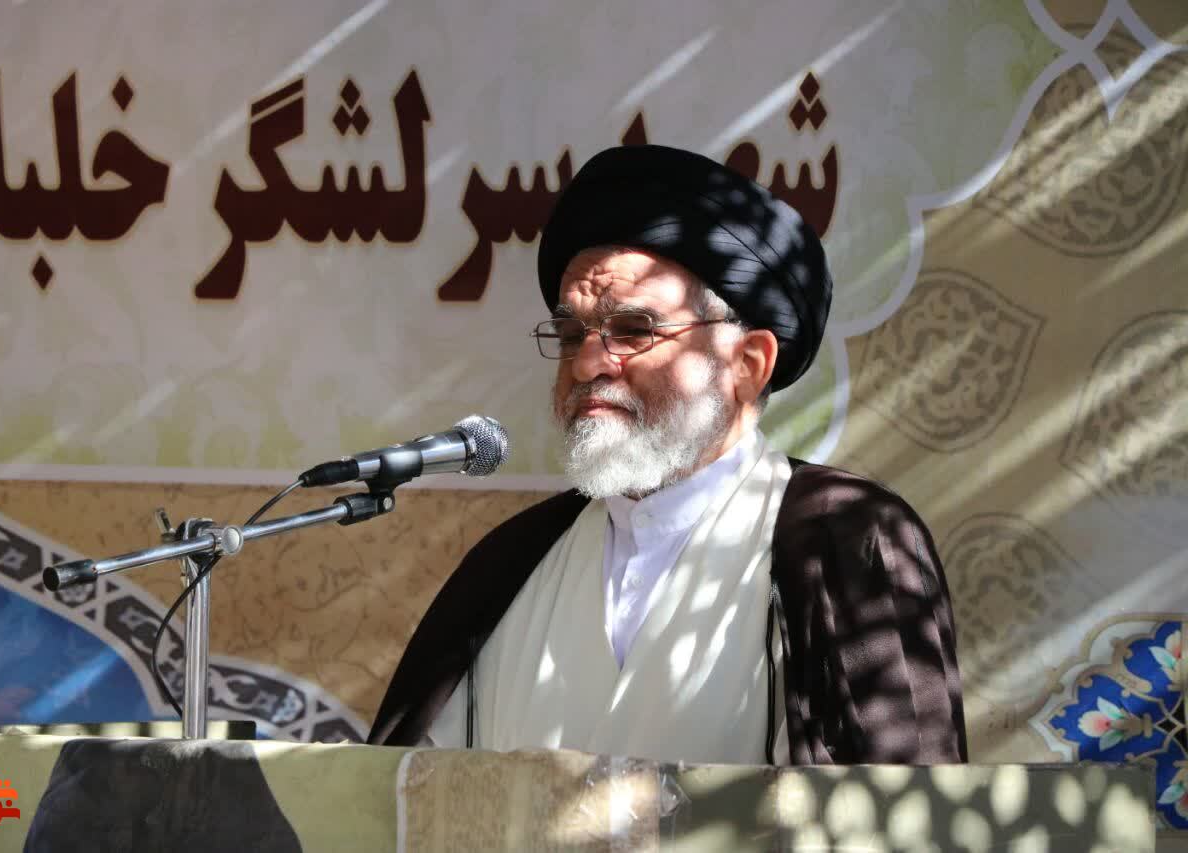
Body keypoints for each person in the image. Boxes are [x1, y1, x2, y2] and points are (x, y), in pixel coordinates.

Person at [369, 144, 967, 765]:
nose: (587, 364)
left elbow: (903, 803)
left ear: (747, 365)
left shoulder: (843, 541)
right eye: (571, 334)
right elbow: (397, 793)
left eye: (633, 331)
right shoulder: (511, 563)